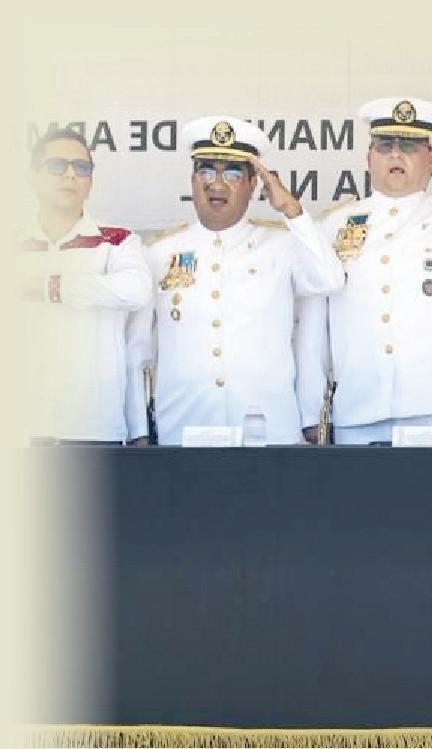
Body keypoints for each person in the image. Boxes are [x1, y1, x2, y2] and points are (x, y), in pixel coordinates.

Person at [145, 115, 344, 445]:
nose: (216, 184)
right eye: (206, 171)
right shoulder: (161, 253)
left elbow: (330, 280)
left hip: (267, 431)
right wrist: (139, 429)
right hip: (184, 426)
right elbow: (140, 347)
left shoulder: (283, 245)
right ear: (192, 180)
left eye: (233, 173)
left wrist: (290, 209)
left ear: (254, 185)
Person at [295, 97, 432, 445]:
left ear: (430, 157)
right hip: (357, 410)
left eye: (409, 146)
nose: (396, 155)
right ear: (368, 158)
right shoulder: (333, 227)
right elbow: (313, 329)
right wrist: (311, 412)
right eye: (385, 146)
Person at [17, 128, 152, 444]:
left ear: (90, 182)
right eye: (57, 165)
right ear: (33, 177)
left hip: (93, 427)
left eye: (81, 168)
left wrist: (52, 287)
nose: (70, 175)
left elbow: (135, 290)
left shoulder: (117, 241)